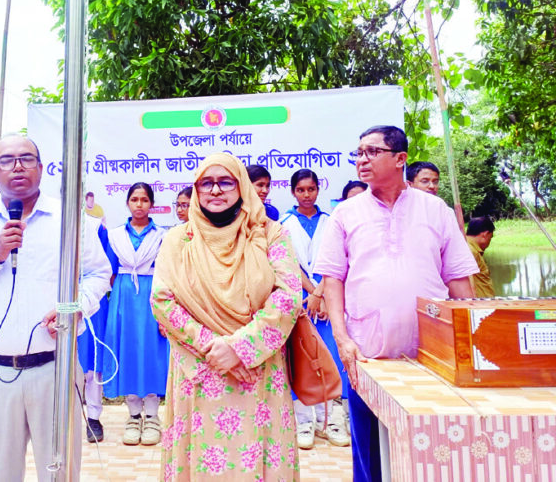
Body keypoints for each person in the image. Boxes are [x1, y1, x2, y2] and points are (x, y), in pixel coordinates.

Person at [0, 135, 111, 481]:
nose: (17, 166)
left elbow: (99, 274)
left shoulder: (71, 219)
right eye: (7, 160)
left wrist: (77, 308)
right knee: (0, 474)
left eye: (27, 159)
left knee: (60, 472)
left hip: (55, 369)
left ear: (42, 168)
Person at [314, 125, 477, 482]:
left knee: (433, 446)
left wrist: (473, 343)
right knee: (370, 449)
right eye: (358, 153)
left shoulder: (436, 210)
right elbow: (333, 281)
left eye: (372, 152)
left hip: (432, 356)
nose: (362, 160)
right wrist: (342, 339)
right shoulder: (346, 213)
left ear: (400, 158)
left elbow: (459, 281)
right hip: (367, 353)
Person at [152, 153, 306, 480]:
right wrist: (214, 348)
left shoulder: (269, 234)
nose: (216, 190)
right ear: (196, 190)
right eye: (206, 183)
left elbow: (288, 295)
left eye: (226, 181)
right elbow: (162, 301)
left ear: (241, 188)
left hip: (258, 372)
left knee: (258, 460)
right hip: (200, 370)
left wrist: (240, 348)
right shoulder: (177, 240)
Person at [280, 169, 350, 449]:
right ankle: (303, 422)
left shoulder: (331, 221)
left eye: (311, 189)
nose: (306, 195)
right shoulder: (283, 224)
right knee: (302, 358)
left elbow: (337, 259)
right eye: (301, 190)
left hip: (328, 297)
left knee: (330, 357)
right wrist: (311, 293)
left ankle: (329, 421)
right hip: (298, 299)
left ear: (318, 190)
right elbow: (287, 263)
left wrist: (320, 293)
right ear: (293, 192)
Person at [100, 182, 167, 446]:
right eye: (134, 200)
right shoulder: (115, 235)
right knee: (127, 350)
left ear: (151, 204)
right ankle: (133, 414)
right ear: (128, 203)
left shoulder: (162, 235)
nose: (139, 204)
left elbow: (166, 271)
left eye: (144, 200)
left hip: (152, 295)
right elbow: (109, 271)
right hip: (124, 296)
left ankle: (152, 416)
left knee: (151, 350)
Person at [76, 214, 111, 443]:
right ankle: (61, 416)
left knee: (91, 363)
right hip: (52, 301)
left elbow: (106, 270)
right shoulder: (47, 222)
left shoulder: (95, 227)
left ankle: (93, 417)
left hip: (91, 302)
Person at [466, 216, 496, 298]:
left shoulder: (471, 249)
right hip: (480, 306)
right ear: (485, 235)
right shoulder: (470, 252)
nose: (489, 242)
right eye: (490, 238)